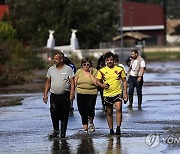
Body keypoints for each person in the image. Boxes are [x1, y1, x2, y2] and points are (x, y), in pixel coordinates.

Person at [43, 51, 75, 138]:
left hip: (65, 95)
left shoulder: (68, 69)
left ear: (61, 59)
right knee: (53, 112)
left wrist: (72, 94)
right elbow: (48, 83)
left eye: (56, 59)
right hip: (54, 95)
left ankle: (63, 133)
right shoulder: (51, 69)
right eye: (54, 59)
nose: (54, 61)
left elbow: (72, 83)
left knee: (64, 114)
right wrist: (45, 94)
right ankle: (56, 130)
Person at [96, 52, 128, 135]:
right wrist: (102, 85)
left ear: (114, 60)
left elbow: (124, 81)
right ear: (106, 61)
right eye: (108, 60)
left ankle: (118, 128)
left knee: (118, 109)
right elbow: (97, 81)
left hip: (117, 92)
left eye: (111, 60)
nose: (109, 61)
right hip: (107, 94)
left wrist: (125, 93)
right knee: (109, 112)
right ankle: (111, 129)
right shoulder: (102, 71)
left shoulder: (120, 69)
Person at [74, 57, 98, 133]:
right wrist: (72, 91)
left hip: (92, 93)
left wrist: (90, 74)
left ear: (91, 65)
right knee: (82, 111)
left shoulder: (95, 71)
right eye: (84, 65)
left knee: (90, 109)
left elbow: (96, 83)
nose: (86, 66)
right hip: (80, 93)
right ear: (82, 65)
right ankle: (85, 130)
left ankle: (91, 122)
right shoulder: (79, 72)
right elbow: (75, 82)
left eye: (88, 64)